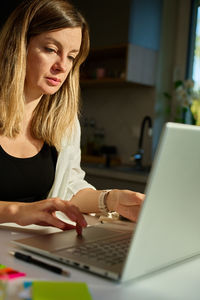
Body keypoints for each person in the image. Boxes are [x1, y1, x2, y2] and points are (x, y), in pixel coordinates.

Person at [0, 0, 145, 235]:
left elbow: (67, 190)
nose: (62, 66)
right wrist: (17, 211)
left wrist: (112, 199)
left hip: (26, 251)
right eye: (51, 49)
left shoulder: (64, 124)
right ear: (18, 45)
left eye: (71, 56)